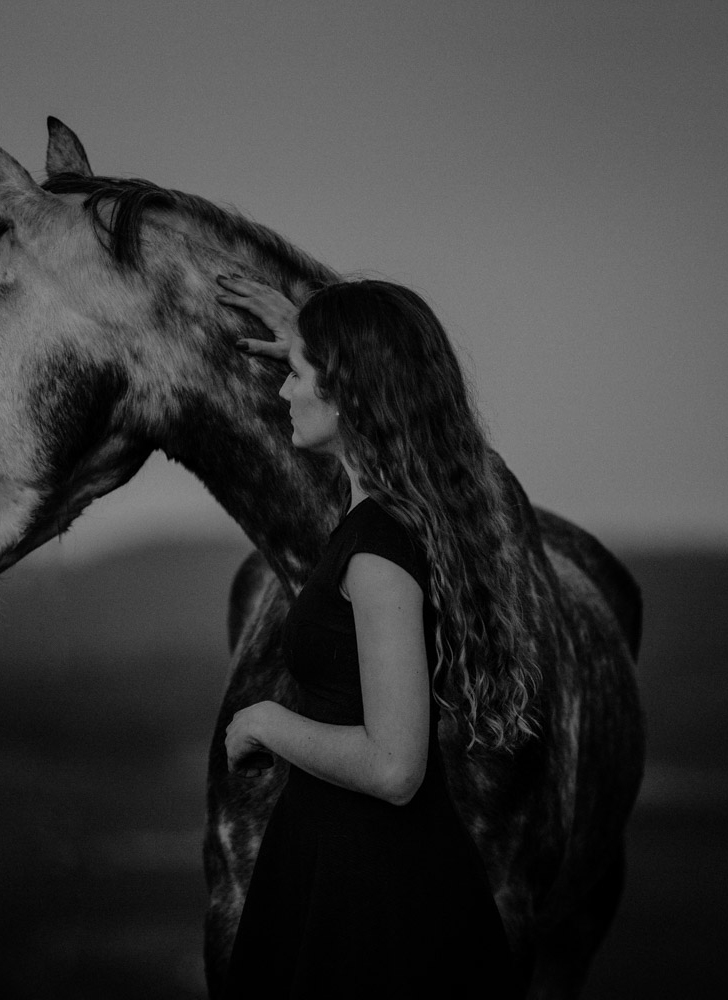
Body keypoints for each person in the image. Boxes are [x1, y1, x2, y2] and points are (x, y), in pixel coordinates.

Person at [213, 274, 530, 999]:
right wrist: (310, 331)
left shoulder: (379, 554)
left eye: (296, 374)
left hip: (375, 902)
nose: (283, 392)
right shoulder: (378, 525)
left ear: (350, 392)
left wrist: (264, 722)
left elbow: (395, 767)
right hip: (349, 874)